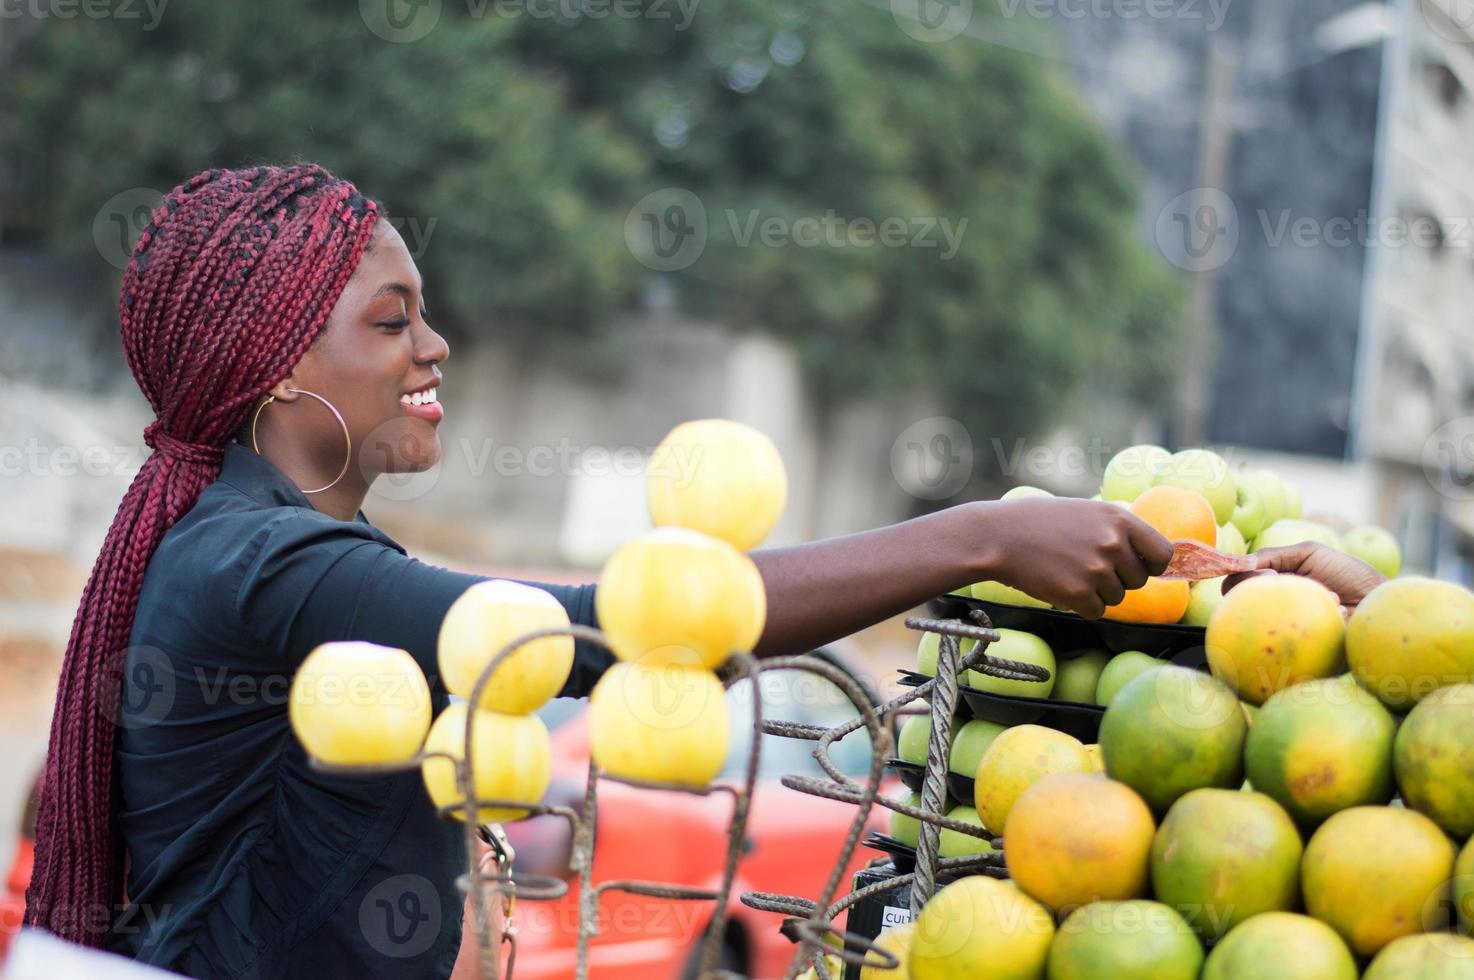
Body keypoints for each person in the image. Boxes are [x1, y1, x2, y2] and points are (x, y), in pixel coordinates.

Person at [22, 164, 1377, 979]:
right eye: (392, 321)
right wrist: (973, 536)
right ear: (276, 367)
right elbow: (599, 631)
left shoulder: (277, 549)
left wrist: (1228, 566)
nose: (436, 349)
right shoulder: (265, 562)